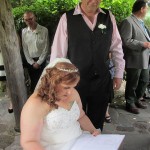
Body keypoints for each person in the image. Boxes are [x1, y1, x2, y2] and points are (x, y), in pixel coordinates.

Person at [50, 0, 125, 130]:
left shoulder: (108, 16)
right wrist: (57, 81)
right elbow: (58, 53)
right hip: (75, 81)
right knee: (75, 120)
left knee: (97, 122)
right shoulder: (67, 18)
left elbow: (117, 47)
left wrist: (118, 73)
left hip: (102, 79)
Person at [20, 58, 100, 150]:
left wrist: (92, 130)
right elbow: (29, 141)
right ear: (53, 83)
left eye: (73, 87)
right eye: (66, 87)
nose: (70, 92)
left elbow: (81, 116)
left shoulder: (73, 93)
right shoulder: (35, 104)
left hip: (79, 142)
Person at [119, 0, 150, 114]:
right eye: (146, 8)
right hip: (134, 57)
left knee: (144, 80)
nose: (147, 10)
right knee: (133, 82)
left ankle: (137, 99)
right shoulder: (128, 21)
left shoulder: (142, 22)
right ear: (142, 9)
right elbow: (126, 41)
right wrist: (143, 44)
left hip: (145, 57)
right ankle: (130, 103)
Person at [22, 11, 49, 93]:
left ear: (35, 17)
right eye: (26, 20)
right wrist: (32, 62)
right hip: (30, 62)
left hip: (42, 61)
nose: (29, 21)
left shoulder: (44, 30)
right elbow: (25, 48)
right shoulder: (24, 31)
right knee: (33, 83)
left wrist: (39, 62)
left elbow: (46, 47)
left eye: (30, 19)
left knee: (43, 82)